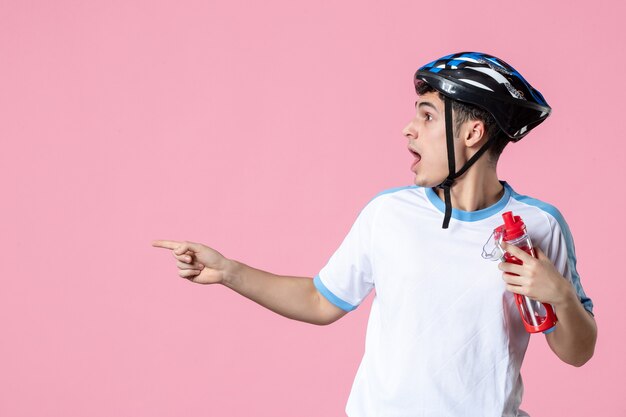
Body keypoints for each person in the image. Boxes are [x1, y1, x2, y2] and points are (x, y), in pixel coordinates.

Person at [152, 52, 597, 417]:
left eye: (426, 116)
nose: (408, 129)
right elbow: (320, 301)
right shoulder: (388, 214)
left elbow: (578, 352)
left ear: (472, 133)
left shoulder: (538, 225)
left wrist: (559, 294)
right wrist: (229, 271)